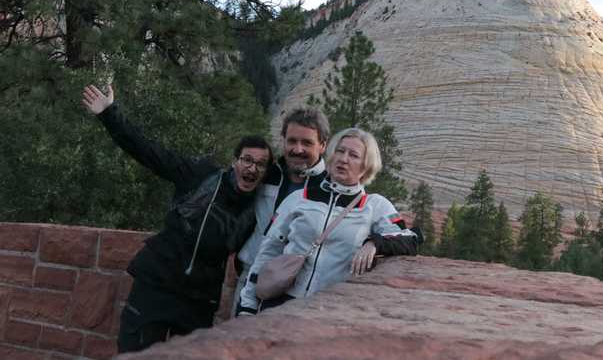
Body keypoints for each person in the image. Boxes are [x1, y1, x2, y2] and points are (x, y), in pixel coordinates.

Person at [80, 84, 273, 353]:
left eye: (261, 164)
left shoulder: (256, 209)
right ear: (234, 162)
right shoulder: (201, 176)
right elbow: (149, 152)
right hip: (156, 286)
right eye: (247, 160)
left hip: (199, 303)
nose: (252, 168)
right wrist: (109, 114)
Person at [238, 127, 418, 314]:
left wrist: (375, 243)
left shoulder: (374, 206)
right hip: (280, 304)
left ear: (366, 166)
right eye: (340, 151)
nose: (343, 159)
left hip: (329, 311)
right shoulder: (300, 198)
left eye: (354, 155)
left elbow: (410, 240)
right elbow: (268, 252)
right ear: (331, 155)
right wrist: (247, 306)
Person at [231, 107, 331, 313]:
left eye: (307, 143)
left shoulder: (330, 187)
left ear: (323, 145)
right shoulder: (267, 173)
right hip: (250, 276)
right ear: (283, 140)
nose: (298, 149)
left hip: (299, 285)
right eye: (292, 141)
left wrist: (373, 241)